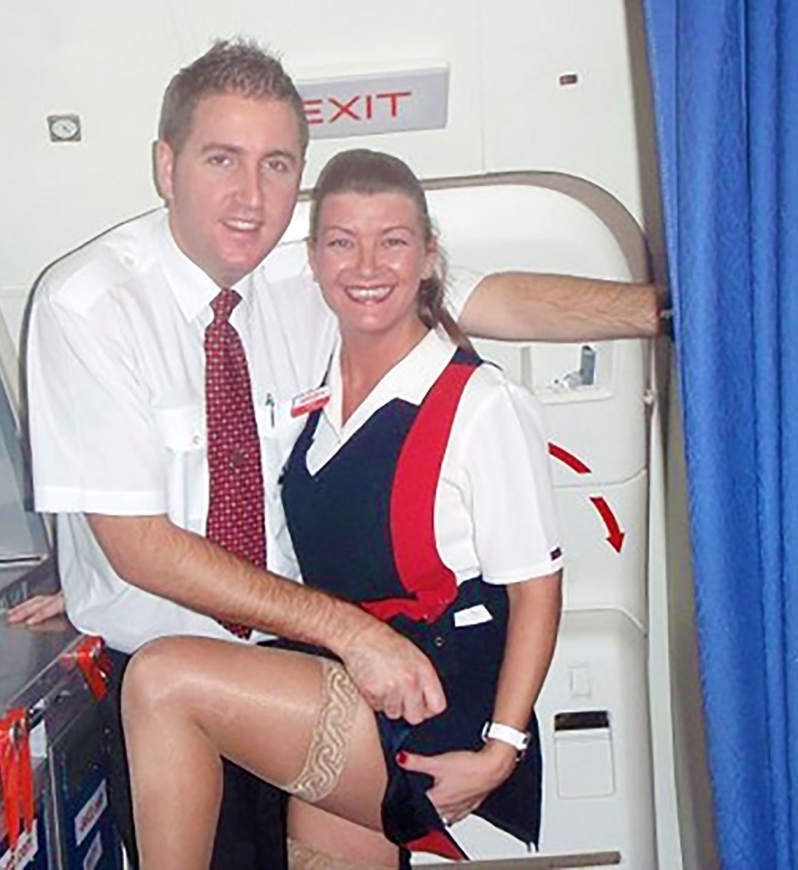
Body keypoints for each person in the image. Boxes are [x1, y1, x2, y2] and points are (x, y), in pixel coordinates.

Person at [14, 38, 662, 870]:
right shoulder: (90, 305)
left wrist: (676, 309)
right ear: (166, 166)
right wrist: (98, 574)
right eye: (222, 159)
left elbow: (495, 298)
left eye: (278, 165)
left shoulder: (317, 266)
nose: (252, 197)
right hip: (194, 672)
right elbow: (139, 545)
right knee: (168, 689)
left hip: (310, 663)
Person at [120, 147, 563, 870]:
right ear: (314, 261)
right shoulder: (313, 386)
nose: (367, 266)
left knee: (163, 679)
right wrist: (99, 574)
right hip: (351, 676)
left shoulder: (482, 404)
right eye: (341, 243)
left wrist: (501, 750)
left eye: (393, 241)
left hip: (436, 701)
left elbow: (537, 588)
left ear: (428, 256)